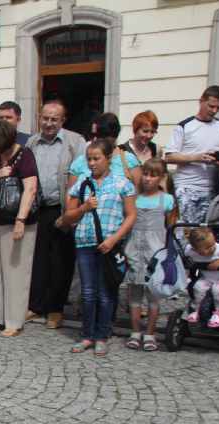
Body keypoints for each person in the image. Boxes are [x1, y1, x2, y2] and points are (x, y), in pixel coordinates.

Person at [61, 139, 137, 356]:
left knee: (106, 292)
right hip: (85, 242)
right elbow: (68, 215)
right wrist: (84, 207)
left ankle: (102, 334)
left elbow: (131, 215)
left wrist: (115, 239)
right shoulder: (82, 183)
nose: (92, 163)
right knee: (87, 292)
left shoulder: (122, 183)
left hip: (109, 244)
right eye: (89, 159)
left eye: (97, 159)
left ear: (108, 159)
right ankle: (87, 334)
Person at [26, 101, 87, 329]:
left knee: (61, 261)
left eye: (54, 119)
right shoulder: (32, 142)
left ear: (63, 120)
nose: (49, 123)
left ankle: (55, 309)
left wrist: (73, 211)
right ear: (39, 118)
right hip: (38, 208)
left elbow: (81, 175)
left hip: (63, 208)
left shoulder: (75, 141)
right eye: (45, 118)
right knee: (38, 259)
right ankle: (36, 305)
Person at [0, 120, 40, 337]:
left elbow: (31, 189)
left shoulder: (25, 155)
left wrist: (20, 220)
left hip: (16, 222)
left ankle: (14, 321)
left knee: (16, 272)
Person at [123, 158, 175, 351]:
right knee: (135, 294)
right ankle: (135, 332)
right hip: (135, 249)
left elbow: (170, 227)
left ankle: (150, 333)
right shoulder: (134, 198)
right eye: (145, 174)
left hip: (156, 252)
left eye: (153, 175)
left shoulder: (166, 199)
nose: (148, 179)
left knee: (153, 296)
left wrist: (169, 253)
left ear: (161, 178)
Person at [165, 86, 219, 226]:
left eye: (218, 107)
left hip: (211, 188)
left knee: (204, 234)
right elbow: (169, 157)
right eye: (211, 106)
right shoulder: (185, 126)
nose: (214, 111)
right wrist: (197, 157)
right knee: (185, 231)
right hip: (185, 187)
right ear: (201, 101)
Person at [67, 113, 141, 189]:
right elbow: (70, 197)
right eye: (92, 135)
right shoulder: (80, 162)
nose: (94, 139)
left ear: (114, 136)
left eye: (100, 136)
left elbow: (139, 194)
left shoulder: (129, 160)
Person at [184, 227, 219, 327]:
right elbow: (184, 257)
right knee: (197, 287)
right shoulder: (190, 251)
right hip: (208, 277)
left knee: (217, 289)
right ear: (195, 249)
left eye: (213, 244)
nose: (213, 247)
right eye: (208, 247)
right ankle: (196, 309)